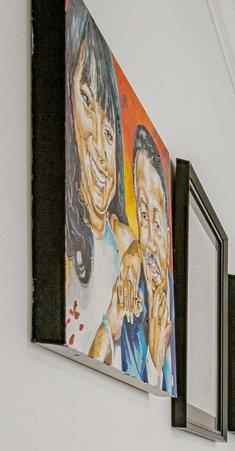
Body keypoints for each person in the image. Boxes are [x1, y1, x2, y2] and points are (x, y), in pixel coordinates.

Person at [64, 3, 131, 360]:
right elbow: (91, 360)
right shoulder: (70, 239)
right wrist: (111, 321)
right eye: (87, 100)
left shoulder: (108, 233)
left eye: (110, 132)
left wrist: (133, 258)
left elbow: (131, 243)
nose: (103, 152)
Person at [110, 126, 175, 393]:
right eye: (143, 215)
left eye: (157, 221)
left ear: (170, 234)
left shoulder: (177, 302)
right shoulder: (131, 290)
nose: (147, 236)